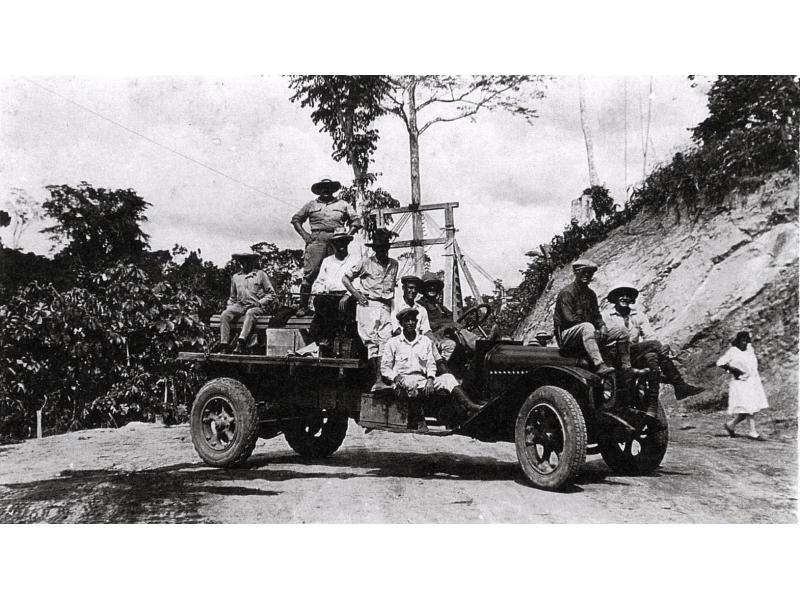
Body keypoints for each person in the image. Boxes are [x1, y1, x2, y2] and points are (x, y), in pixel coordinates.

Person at [381, 307, 482, 431]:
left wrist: (430, 378)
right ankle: (418, 419)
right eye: (407, 320)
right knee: (411, 384)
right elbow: (385, 368)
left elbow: (431, 363)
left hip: (422, 380)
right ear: (401, 324)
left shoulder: (425, 342)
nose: (411, 323)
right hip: (403, 380)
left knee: (448, 378)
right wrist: (396, 377)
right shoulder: (393, 343)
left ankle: (469, 405)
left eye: (413, 320)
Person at [602, 282, 705, 401]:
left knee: (652, 354)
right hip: (614, 354)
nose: (625, 298)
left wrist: (663, 346)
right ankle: (679, 385)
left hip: (632, 353)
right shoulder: (605, 316)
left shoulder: (638, 315)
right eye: (621, 294)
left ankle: (650, 398)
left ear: (632, 299)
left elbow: (649, 335)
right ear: (614, 297)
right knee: (655, 345)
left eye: (628, 295)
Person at [553, 259, 639, 378]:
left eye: (590, 273)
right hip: (567, 336)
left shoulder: (591, 294)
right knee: (587, 327)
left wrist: (602, 326)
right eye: (584, 272)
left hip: (589, 333)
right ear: (576, 273)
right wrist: (594, 329)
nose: (587, 275)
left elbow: (596, 315)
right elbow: (569, 319)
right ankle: (599, 365)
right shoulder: (567, 293)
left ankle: (626, 367)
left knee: (622, 331)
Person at [291, 178, 362, 316]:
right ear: (318, 190)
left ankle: (338, 304)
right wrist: (305, 235)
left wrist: (348, 235)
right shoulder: (311, 205)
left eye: (328, 188)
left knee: (339, 269)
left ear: (333, 190)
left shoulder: (343, 204)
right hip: (317, 240)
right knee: (311, 271)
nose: (325, 191)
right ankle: (303, 305)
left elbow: (356, 221)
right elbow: (296, 219)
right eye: (322, 188)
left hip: (337, 239)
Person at [342, 228, 399, 390]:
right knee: (372, 343)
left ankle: (383, 379)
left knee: (386, 341)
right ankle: (377, 380)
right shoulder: (366, 262)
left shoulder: (394, 264)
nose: (382, 251)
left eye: (385, 248)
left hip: (386, 306)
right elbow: (345, 278)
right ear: (374, 249)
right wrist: (356, 295)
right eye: (379, 248)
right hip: (369, 305)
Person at [217, 251, 276, 354]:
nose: (246, 263)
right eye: (243, 261)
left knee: (250, 313)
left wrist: (260, 302)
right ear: (240, 262)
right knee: (225, 314)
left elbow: (271, 294)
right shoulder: (236, 277)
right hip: (240, 305)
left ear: (253, 262)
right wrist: (230, 307)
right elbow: (232, 297)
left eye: (249, 260)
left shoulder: (260, 274)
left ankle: (241, 342)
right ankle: (224, 345)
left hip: (256, 306)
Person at [308, 229, 356, 353]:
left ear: (347, 244)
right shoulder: (327, 261)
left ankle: (337, 341)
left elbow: (359, 282)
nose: (341, 246)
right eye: (338, 243)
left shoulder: (355, 260)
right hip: (330, 298)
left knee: (344, 310)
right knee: (320, 301)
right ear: (333, 245)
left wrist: (347, 295)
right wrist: (320, 291)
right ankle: (325, 340)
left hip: (347, 297)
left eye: (343, 243)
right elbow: (319, 282)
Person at [717, 331, 769, 441]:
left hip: (753, 381)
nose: (744, 343)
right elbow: (720, 362)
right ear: (738, 341)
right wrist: (732, 370)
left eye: (746, 341)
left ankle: (730, 425)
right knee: (749, 407)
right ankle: (752, 432)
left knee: (749, 408)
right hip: (740, 383)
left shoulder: (750, 350)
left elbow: (752, 365)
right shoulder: (733, 351)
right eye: (742, 341)